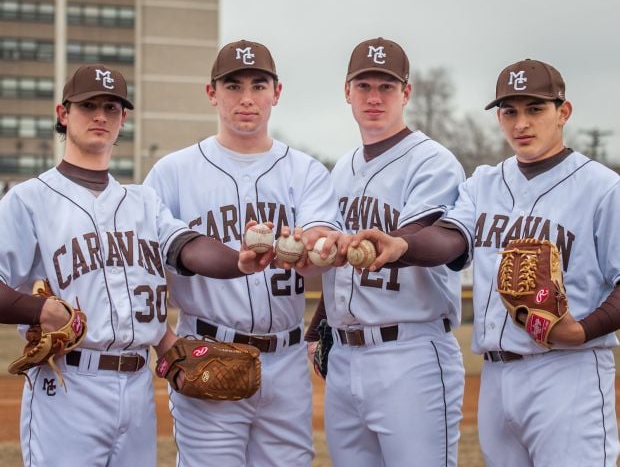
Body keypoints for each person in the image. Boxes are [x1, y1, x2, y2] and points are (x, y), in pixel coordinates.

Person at [353, 58, 620, 466]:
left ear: (563, 112)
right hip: (496, 375)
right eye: (509, 111)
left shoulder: (602, 188)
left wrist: (583, 331)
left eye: (535, 109)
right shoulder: (484, 183)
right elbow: (451, 237)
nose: (521, 123)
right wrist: (403, 246)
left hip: (567, 372)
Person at [0, 64, 270, 467]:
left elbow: (187, 247)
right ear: (62, 113)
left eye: (111, 107)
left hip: (139, 385)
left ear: (123, 117)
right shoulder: (28, 201)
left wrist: (239, 262)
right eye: (88, 105)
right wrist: (41, 310)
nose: (100, 116)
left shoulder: (144, 202)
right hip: (70, 384)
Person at [144, 39, 343, 466]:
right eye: (233, 86)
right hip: (208, 351)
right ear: (211, 93)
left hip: (286, 362)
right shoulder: (172, 173)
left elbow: (321, 237)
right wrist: (165, 342)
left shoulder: (305, 171)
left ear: (277, 92)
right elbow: (142, 272)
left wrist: (313, 246)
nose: (247, 98)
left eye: (259, 85)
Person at [305, 37, 466, 467]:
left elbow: (417, 235)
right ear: (347, 91)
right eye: (364, 86)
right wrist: (318, 324)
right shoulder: (341, 168)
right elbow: (338, 268)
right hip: (345, 354)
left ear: (406, 93)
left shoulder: (433, 161)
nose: (374, 98)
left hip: (410, 353)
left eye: (387, 87)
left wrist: (365, 244)